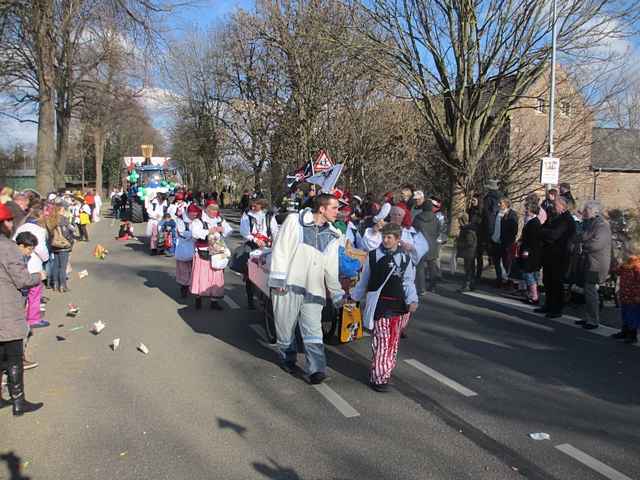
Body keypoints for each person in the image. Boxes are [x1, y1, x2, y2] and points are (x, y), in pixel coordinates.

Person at [268, 194, 344, 384]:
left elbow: (331, 267)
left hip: (314, 288)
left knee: (313, 330)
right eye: (334, 208)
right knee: (285, 328)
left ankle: (317, 369)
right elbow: (281, 249)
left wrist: (336, 293)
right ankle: (288, 357)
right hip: (289, 284)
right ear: (322, 209)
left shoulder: (334, 235)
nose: (338, 212)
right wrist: (278, 280)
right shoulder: (295, 221)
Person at [351, 223, 418, 392]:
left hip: (400, 306)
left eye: (390, 237)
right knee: (381, 341)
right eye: (384, 237)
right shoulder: (373, 256)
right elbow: (364, 280)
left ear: (398, 239)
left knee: (391, 342)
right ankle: (379, 377)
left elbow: (408, 282)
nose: (386, 240)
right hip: (380, 305)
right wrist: (354, 297)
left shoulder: (405, 259)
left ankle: (383, 371)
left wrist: (413, 300)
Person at [0, 203, 45, 416]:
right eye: (8, 221)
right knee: (14, 357)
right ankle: (19, 402)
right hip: (6, 310)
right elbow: (22, 279)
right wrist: (38, 277)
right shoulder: (8, 247)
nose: (11, 224)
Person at [535, 196, 576, 318]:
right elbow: (542, 229)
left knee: (556, 282)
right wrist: (543, 232)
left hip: (560, 256)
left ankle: (556, 308)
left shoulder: (566, 220)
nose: (553, 206)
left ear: (563, 206)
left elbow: (554, 235)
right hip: (549, 254)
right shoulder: (554, 217)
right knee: (547, 280)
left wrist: (543, 232)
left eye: (556, 204)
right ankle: (548, 304)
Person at [575, 200, 611, 330]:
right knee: (588, 291)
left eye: (587, 210)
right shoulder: (592, 223)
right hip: (590, 261)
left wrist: (583, 245)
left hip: (596, 264)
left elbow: (597, 244)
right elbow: (584, 236)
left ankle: (593, 320)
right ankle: (588, 317)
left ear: (594, 211)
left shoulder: (602, 225)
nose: (585, 212)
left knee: (591, 291)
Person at [190, 200, 232, 310]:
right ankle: (198, 298)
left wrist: (222, 229)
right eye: (212, 209)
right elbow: (195, 233)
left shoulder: (220, 220)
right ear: (206, 209)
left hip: (217, 251)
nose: (214, 212)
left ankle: (214, 301)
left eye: (216, 210)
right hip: (203, 251)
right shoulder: (199, 221)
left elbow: (229, 230)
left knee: (216, 276)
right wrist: (209, 231)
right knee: (202, 276)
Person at [239, 197, 279, 309]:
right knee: (250, 273)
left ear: (262, 205)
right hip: (252, 245)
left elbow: (275, 231)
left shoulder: (269, 216)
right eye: (252, 204)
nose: (252, 206)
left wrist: (275, 245)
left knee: (266, 271)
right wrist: (255, 239)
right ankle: (250, 299)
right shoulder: (247, 215)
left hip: (267, 246)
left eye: (255, 205)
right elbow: (244, 231)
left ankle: (264, 297)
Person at [13, 208, 49, 328]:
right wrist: (45, 259)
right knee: (34, 294)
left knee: (22, 296)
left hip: (19, 266)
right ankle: (33, 319)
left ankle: (21, 318)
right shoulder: (39, 230)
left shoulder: (20, 228)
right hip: (34, 266)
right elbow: (41, 249)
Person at [610, 239, 640, 344]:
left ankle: (632, 335)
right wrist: (615, 264)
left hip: (633, 297)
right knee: (625, 314)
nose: (625, 254)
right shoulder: (625, 265)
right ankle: (625, 331)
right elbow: (617, 271)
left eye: (627, 252)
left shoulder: (637, 267)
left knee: (632, 315)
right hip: (624, 295)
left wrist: (637, 295)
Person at [412, 191, 438, 295]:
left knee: (420, 267)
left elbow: (414, 230)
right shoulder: (435, 218)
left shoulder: (418, 218)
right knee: (432, 266)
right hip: (432, 243)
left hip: (421, 244)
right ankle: (433, 287)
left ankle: (421, 288)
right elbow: (438, 230)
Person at [518, 199, 543, 304]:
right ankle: (531, 294)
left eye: (527, 209)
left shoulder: (534, 223)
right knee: (528, 273)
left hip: (531, 252)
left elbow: (532, 239)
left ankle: (534, 296)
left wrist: (526, 250)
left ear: (532, 211)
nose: (525, 211)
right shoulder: (531, 221)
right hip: (529, 250)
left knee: (528, 273)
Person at [490, 197, 519, 287]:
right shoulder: (497, 213)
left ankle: (509, 281)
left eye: (500, 203)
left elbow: (514, 230)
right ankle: (499, 279)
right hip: (495, 241)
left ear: (506, 204)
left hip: (505, 243)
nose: (499, 205)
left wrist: (508, 242)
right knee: (496, 262)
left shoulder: (512, 214)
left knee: (506, 263)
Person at [46, 204, 74, 293]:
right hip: (63, 245)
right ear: (59, 210)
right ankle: (63, 285)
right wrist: (70, 241)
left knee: (55, 265)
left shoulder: (50, 219)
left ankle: (55, 284)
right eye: (62, 209)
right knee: (63, 266)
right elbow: (68, 231)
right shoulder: (63, 219)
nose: (63, 211)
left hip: (54, 245)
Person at [478, 179, 503, 279]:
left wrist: (488, 231)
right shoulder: (500, 197)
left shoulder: (488, 198)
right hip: (498, 227)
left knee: (482, 252)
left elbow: (487, 215)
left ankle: (478, 275)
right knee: (497, 256)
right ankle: (499, 277)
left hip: (489, 228)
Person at [175, 204, 199, 298]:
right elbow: (181, 233)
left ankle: (192, 287)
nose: (194, 215)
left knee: (194, 269)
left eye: (195, 214)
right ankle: (184, 288)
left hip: (195, 247)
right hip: (184, 247)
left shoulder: (197, 220)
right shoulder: (181, 219)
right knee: (184, 270)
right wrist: (194, 234)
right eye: (192, 214)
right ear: (188, 212)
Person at [456, 213, 479, 292]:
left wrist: (459, 243)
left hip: (469, 252)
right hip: (470, 252)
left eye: (459, 221)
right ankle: (471, 285)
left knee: (468, 269)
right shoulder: (468, 228)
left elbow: (469, 242)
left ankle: (467, 285)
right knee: (470, 269)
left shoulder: (467, 229)